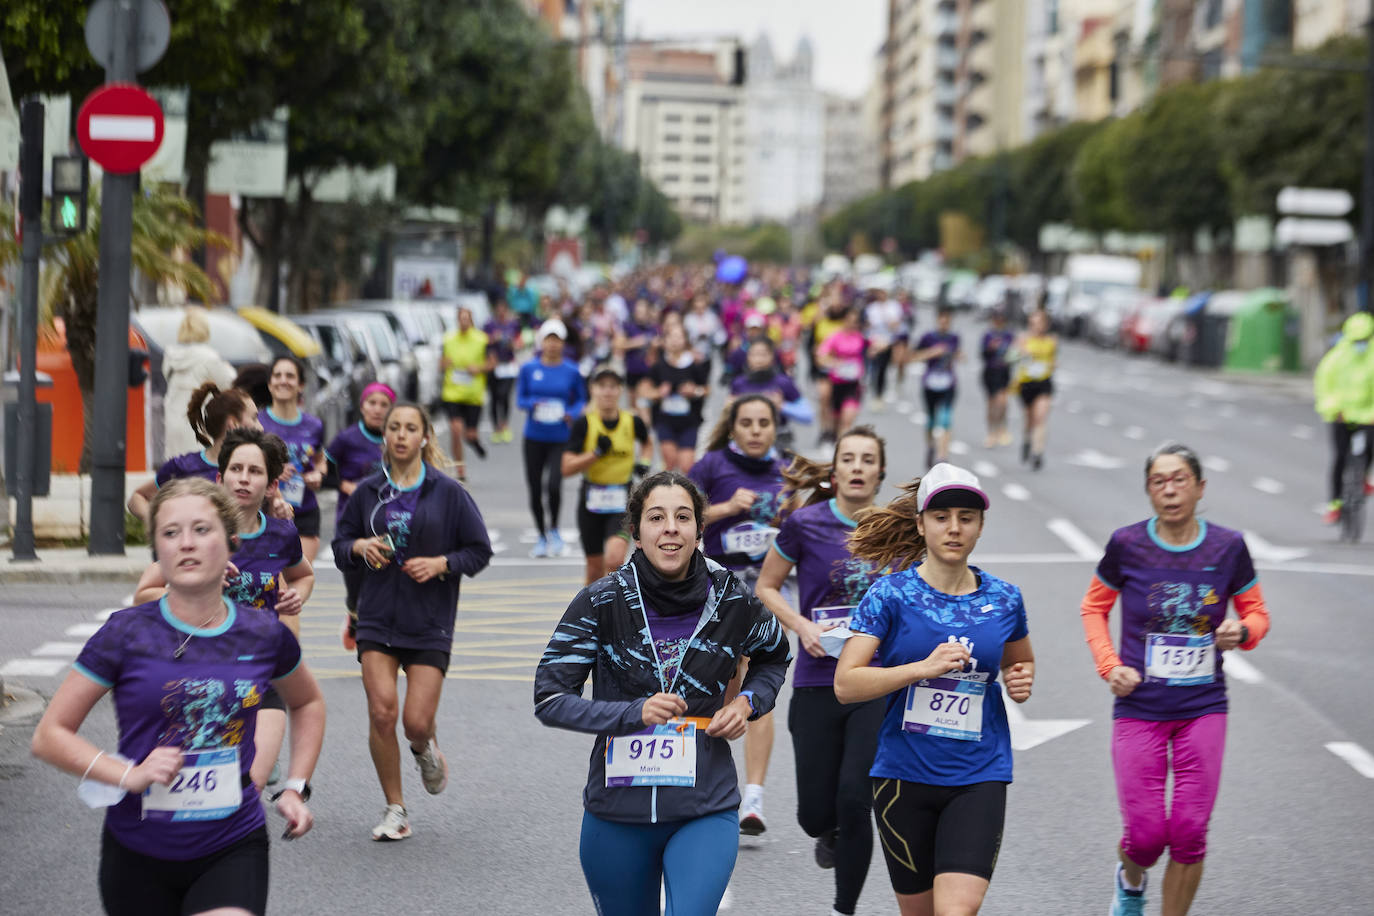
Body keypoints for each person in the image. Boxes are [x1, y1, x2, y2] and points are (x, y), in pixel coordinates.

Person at [30, 476, 325, 916]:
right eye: (171, 533)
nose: (186, 543)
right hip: (137, 850)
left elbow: (306, 702)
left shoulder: (263, 633)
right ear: (158, 550)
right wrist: (126, 775)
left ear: (230, 543)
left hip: (232, 844)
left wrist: (295, 787)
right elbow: (49, 735)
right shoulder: (125, 634)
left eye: (202, 530)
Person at [533, 471, 793, 916]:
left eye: (683, 517)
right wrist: (630, 713)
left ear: (699, 530)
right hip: (617, 811)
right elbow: (550, 698)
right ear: (636, 531)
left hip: (703, 806)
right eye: (656, 517)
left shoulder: (732, 598)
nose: (670, 527)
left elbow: (773, 657)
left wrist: (747, 702)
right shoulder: (601, 601)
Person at [1079, 442, 1271, 916]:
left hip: (1203, 706)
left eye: (1179, 479)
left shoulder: (1227, 547)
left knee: (1188, 833)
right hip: (1139, 707)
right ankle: (1130, 879)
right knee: (1145, 838)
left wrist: (1242, 630)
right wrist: (1109, 666)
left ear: (1200, 487)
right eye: (1159, 481)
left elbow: (1257, 613)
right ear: (1148, 490)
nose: (1170, 490)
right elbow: (1094, 608)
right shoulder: (1127, 545)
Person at [834, 463, 1035, 916]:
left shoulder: (1004, 598)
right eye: (942, 517)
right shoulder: (889, 595)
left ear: (980, 526)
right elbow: (846, 683)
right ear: (921, 523)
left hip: (979, 775)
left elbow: (1020, 659)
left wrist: (1021, 680)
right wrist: (920, 669)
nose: (954, 527)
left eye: (966, 517)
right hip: (903, 778)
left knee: (957, 911)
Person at [332, 402, 493, 841]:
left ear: (424, 437)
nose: (401, 435)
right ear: (384, 437)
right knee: (382, 710)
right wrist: (359, 547)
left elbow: (479, 551)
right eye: (394, 428)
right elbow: (339, 544)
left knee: (415, 723)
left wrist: (441, 563)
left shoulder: (449, 493)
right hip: (377, 616)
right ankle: (395, 808)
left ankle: (424, 748)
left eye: (410, 428)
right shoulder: (367, 492)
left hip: (429, 620)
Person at [132, 428, 315, 790]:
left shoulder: (280, 535)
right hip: (202, 670)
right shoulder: (198, 532)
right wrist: (194, 589)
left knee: (251, 786)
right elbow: (144, 593)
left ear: (270, 483)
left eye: (255, 471)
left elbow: (303, 576)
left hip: (262, 667)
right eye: (236, 469)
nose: (244, 479)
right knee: (198, 785)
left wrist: (296, 596)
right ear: (220, 477)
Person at [755, 426, 888, 916]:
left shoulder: (900, 528)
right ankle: (826, 832)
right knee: (815, 813)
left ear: (879, 473)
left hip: (875, 682)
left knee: (856, 799)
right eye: (848, 459)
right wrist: (800, 626)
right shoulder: (805, 524)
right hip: (817, 679)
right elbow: (767, 586)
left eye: (867, 459)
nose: (857, 467)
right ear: (833, 473)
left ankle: (844, 908)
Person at [686, 395, 793, 838]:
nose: (754, 430)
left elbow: (803, 529)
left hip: (766, 591)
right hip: (715, 593)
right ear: (732, 428)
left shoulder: (787, 473)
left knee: (756, 685)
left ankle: (753, 796)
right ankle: (706, 783)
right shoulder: (710, 466)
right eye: (746, 423)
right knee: (718, 694)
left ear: (774, 428)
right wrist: (729, 508)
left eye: (763, 423)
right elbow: (679, 517)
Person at [561, 367, 653, 584]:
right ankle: (591, 615)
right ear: (593, 390)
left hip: (622, 499)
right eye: (602, 386)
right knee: (594, 571)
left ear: (620, 391)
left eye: (613, 387)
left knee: (614, 559)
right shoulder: (584, 424)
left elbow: (647, 443)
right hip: (591, 500)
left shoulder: (632, 421)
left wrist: (644, 463)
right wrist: (595, 454)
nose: (608, 392)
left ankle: (614, 612)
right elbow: (566, 468)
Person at [326, 382, 396, 648]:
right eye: (372, 403)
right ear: (362, 406)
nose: (377, 410)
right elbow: (328, 470)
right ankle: (354, 613)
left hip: (386, 521)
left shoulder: (396, 439)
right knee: (356, 583)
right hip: (352, 521)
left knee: (384, 581)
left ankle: (378, 640)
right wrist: (346, 486)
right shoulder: (347, 438)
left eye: (384, 405)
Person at [129, 383, 260, 525]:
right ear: (233, 423)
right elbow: (137, 498)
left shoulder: (260, 467)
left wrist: (283, 507)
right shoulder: (184, 466)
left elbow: (275, 506)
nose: (261, 427)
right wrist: (161, 524)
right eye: (254, 418)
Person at [517, 319, 586, 558]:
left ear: (563, 343)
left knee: (554, 485)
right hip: (534, 437)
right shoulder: (529, 369)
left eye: (557, 340)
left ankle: (554, 529)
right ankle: (541, 535)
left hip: (561, 438)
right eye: (549, 339)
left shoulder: (572, 370)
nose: (553, 344)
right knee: (535, 488)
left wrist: (572, 413)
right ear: (542, 342)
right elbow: (520, 399)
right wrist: (532, 404)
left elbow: (581, 400)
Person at [258, 356, 326, 563]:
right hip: (268, 512)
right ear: (270, 384)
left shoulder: (314, 425)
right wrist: (273, 471)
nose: (283, 381)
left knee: (298, 582)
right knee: (275, 584)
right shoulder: (258, 422)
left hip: (304, 511)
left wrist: (318, 474)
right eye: (277, 375)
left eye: (290, 376)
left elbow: (320, 460)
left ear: (300, 385)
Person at [1313, 310, 1374, 524]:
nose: (1361, 344)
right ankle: (1335, 504)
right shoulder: (1336, 358)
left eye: (1365, 340)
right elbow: (1324, 385)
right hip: (1340, 414)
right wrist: (1334, 409)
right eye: (1357, 340)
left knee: (1369, 448)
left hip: (1368, 415)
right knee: (1340, 457)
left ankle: (1364, 476)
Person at [161, 305, 235, 459]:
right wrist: (229, 369)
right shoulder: (208, 357)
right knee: (197, 467)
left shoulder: (171, 355)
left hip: (173, 419)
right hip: (198, 421)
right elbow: (228, 384)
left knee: (176, 466)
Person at [649, 323, 711, 474]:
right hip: (665, 420)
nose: (675, 341)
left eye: (679, 337)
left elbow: (707, 389)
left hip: (689, 421)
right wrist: (658, 393)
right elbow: (645, 390)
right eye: (671, 337)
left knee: (686, 466)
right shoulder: (658, 365)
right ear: (665, 340)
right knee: (669, 462)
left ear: (685, 340)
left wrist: (694, 391)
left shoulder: (695, 364)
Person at [440, 305, 493, 481]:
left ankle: (474, 441)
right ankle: (460, 468)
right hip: (452, 393)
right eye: (461, 319)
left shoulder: (482, 340)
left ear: (471, 321)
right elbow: (441, 364)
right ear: (457, 321)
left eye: (466, 319)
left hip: (473, 395)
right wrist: (444, 364)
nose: (463, 322)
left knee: (469, 434)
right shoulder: (448, 339)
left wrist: (479, 368)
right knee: (455, 430)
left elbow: (492, 363)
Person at [912, 307, 962, 468]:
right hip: (930, 383)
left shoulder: (954, 338)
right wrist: (932, 353)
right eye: (941, 320)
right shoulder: (927, 337)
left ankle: (943, 456)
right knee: (931, 421)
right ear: (937, 320)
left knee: (946, 418)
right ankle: (931, 447)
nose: (944, 324)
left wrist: (958, 356)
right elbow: (913, 356)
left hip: (948, 383)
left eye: (947, 321)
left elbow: (958, 354)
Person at [1012, 308, 1057, 471]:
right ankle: (1027, 440)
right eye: (1034, 323)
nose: (1037, 326)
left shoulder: (1051, 341)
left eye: (1040, 323)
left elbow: (1053, 360)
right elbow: (1010, 357)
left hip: (1043, 382)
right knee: (1029, 419)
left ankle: (1038, 452)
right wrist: (1021, 351)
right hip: (1026, 383)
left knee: (1040, 417)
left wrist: (1051, 365)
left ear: (1046, 324)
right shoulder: (1023, 339)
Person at [816, 306, 868, 445]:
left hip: (853, 385)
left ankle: (841, 451)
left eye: (856, 321)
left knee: (847, 420)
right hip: (837, 384)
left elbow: (876, 346)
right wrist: (834, 363)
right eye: (849, 320)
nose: (852, 324)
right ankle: (830, 435)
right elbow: (821, 356)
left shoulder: (861, 337)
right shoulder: (835, 337)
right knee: (836, 420)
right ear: (843, 320)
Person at [484, 299, 524, 444]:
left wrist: (514, 344)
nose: (501, 311)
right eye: (498, 308)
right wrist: (493, 339)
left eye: (503, 308)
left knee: (504, 395)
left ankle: (505, 425)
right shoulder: (489, 324)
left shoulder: (513, 324)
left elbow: (520, 341)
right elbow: (484, 341)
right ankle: (496, 428)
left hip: (508, 365)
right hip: (494, 366)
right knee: (494, 397)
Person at [979, 309, 1016, 448]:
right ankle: (991, 432)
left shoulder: (1009, 335)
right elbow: (983, 354)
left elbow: (1014, 353)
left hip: (1004, 372)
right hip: (990, 372)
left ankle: (1001, 427)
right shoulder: (988, 335)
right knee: (991, 404)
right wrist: (990, 348)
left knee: (1003, 402)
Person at [865, 288, 904, 408]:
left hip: (888, 342)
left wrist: (886, 320)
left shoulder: (894, 306)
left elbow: (896, 325)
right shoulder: (871, 308)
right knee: (873, 366)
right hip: (874, 341)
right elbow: (868, 325)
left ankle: (879, 394)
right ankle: (874, 389)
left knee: (883, 368)